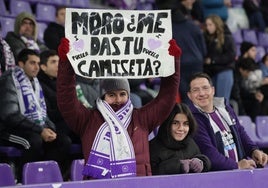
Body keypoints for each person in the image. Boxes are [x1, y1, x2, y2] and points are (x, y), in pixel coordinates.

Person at [56, 38, 182, 179]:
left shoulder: (141, 118)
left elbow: (167, 96)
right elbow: (66, 98)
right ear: (103, 96)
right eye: (111, 95)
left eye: (122, 94)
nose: (118, 100)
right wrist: (66, 64)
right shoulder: (87, 120)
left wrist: (173, 62)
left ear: (129, 95)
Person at [0, 49, 71, 181]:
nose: (37, 67)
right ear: (21, 64)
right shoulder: (9, 80)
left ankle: (45, 178)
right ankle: (22, 180)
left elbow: (42, 113)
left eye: (38, 63)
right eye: (32, 63)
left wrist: (50, 129)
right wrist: (40, 130)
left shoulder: (35, 82)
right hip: (8, 131)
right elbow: (9, 115)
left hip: (31, 128)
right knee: (33, 142)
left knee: (62, 141)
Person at [187, 72, 268, 171]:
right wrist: (236, 165)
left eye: (205, 88)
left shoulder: (225, 107)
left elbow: (240, 132)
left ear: (213, 90)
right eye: (196, 90)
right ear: (189, 95)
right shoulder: (192, 118)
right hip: (218, 177)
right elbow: (208, 153)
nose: (202, 93)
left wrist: (253, 150)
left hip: (239, 173)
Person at [156, 0, 207, 105]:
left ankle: (191, 119)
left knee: (187, 97)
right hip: (197, 64)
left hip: (180, 65)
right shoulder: (193, 26)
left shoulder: (167, 30)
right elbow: (204, 50)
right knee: (199, 95)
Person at [150, 103, 211, 175]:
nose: (181, 128)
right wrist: (178, 166)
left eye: (185, 124)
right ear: (166, 123)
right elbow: (152, 173)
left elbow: (202, 160)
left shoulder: (190, 143)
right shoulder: (153, 147)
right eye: (175, 123)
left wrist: (202, 162)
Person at [37, 49, 81, 145]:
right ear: (43, 67)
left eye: (59, 62)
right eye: (53, 62)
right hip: (52, 128)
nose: (58, 65)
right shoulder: (38, 86)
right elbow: (47, 114)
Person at [203, 14, 236, 102]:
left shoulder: (227, 37)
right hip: (212, 73)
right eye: (206, 25)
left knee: (222, 102)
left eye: (210, 25)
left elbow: (231, 55)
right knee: (214, 102)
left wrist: (213, 60)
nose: (208, 27)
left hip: (224, 71)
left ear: (216, 25)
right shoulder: (207, 38)